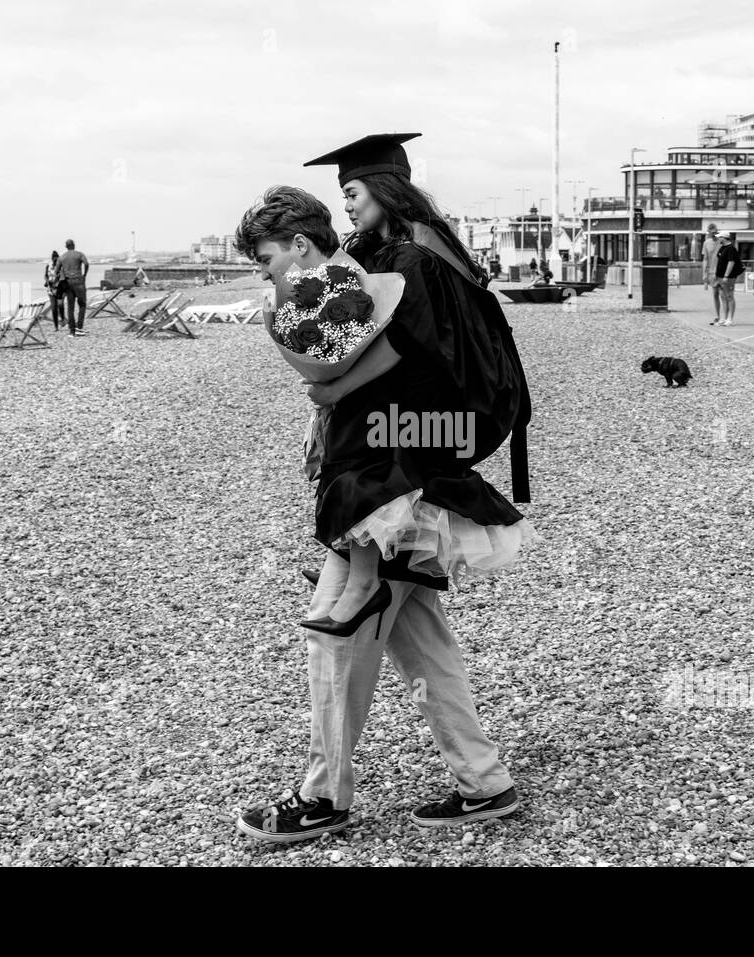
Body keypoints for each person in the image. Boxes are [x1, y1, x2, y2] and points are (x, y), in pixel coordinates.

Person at [231, 134, 532, 843]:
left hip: (392, 477)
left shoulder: (413, 262)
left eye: (355, 194)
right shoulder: (398, 258)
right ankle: (484, 781)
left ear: (385, 190)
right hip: (404, 468)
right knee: (420, 641)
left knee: (338, 636)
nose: (350, 206)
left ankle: (322, 797)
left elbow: (406, 353)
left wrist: (328, 389)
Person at [57, 239, 90, 337]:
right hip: (79, 281)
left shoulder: (62, 257)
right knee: (82, 304)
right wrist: (85, 274)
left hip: (68, 282)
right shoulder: (79, 254)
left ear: (66, 246)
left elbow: (56, 271)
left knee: (70, 307)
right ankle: (79, 328)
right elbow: (86, 264)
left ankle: (72, 330)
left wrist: (63, 276)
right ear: (74, 245)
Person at [712, 231, 742, 326]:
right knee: (723, 297)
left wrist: (726, 276)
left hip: (728, 277)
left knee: (729, 296)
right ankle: (724, 318)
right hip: (719, 276)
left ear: (724, 238)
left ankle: (730, 318)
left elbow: (731, 262)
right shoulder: (722, 248)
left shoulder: (731, 248)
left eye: (719, 237)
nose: (718, 239)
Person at [44, 251, 64, 331]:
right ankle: (56, 326)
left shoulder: (61, 266)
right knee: (54, 308)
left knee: (60, 305)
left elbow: (62, 276)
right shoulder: (48, 266)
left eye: (57, 259)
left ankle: (62, 319)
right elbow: (45, 275)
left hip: (59, 289)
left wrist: (56, 280)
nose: (55, 261)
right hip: (50, 290)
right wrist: (47, 281)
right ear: (52, 259)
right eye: (54, 259)